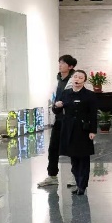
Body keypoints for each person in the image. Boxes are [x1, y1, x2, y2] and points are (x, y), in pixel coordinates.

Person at [52, 69, 97, 196]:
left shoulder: (89, 95)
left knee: (83, 158)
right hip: (68, 129)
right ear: (72, 79)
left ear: (84, 81)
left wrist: (93, 130)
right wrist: (56, 106)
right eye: (75, 77)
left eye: (80, 78)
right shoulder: (66, 93)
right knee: (73, 158)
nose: (77, 79)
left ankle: (82, 185)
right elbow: (56, 110)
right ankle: (78, 183)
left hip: (83, 129)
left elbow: (93, 114)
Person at [38, 54, 77, 188]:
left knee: (73, 149)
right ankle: (52, 176)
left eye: (63, 63)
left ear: (70, 66)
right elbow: (53, 97)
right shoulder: (57, 80)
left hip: (71, 120)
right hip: (59, 119)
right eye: (59, 62)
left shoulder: (74, 80)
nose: (60, 65)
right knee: (53, 148)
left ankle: (75, 176)